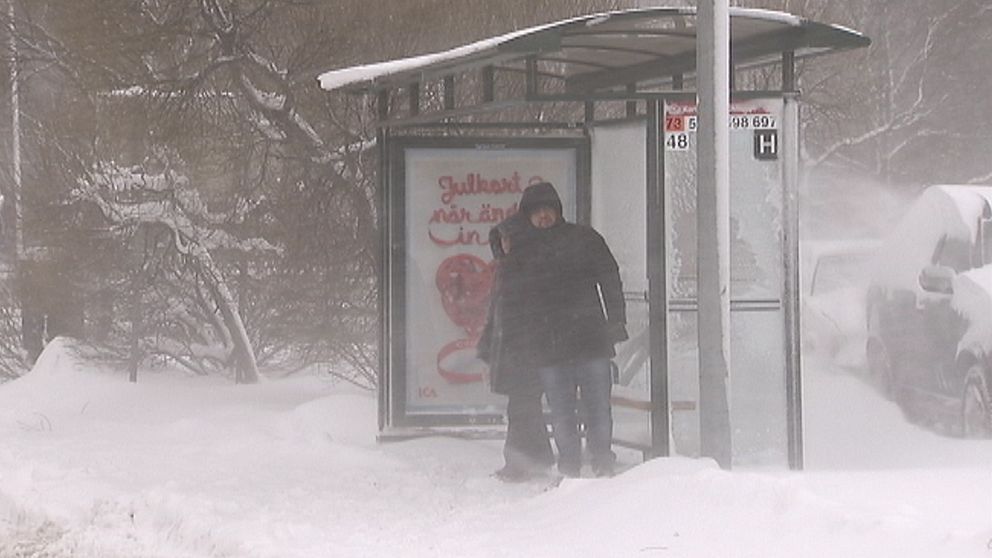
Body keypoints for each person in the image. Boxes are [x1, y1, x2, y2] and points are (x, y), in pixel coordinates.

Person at [515, 181, 627, 478]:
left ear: (558, 210)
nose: (543, 217)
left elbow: (610, 279)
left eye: (547, 210)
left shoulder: (584, 238)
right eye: (535, 212)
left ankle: (602, 462)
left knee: (597, 409)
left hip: (589, 340)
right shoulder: (523, 249)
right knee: (562, 413)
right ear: (526, 216)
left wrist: (616, 321)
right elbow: (515, 296)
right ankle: (570, 469)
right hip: (550, 347)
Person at [477, 212, 555, 482]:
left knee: (521, 407)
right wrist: (489, 343)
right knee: (525, 406)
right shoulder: (508, 268)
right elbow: (497, 312)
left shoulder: (521, 268)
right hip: (517, 350)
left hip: (524, 351)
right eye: (503, 239)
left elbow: (520, 312)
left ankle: (519, 463)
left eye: (510, 239)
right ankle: (538, 457)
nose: (506, 244)